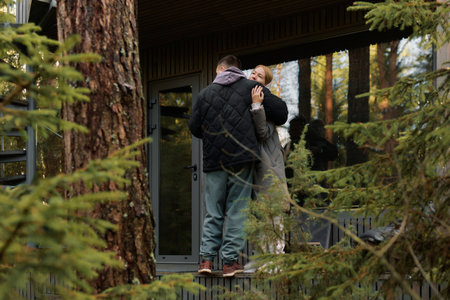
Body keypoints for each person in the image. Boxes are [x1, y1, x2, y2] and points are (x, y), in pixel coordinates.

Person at [188, 55, 288, 277]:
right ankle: (229, 264)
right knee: (236, 210)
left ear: (221, 69)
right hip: (242, 159)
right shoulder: (250, 87)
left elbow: (194, 128)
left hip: (214, 161)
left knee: (213, 212)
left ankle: (205, 261)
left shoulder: (205, 94)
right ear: (237, 70)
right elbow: (281, 112)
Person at [248, 65, 289, 255]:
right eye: (253, 73)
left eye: (260, 76)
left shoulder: (269, 107)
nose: (255, 76)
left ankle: (276, 259)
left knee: (273, 218)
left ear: (265, 84)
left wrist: (257, 106)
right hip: (258, 170)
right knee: (261, 218)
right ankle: (263, 260)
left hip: (270, 172)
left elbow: (263, 133)